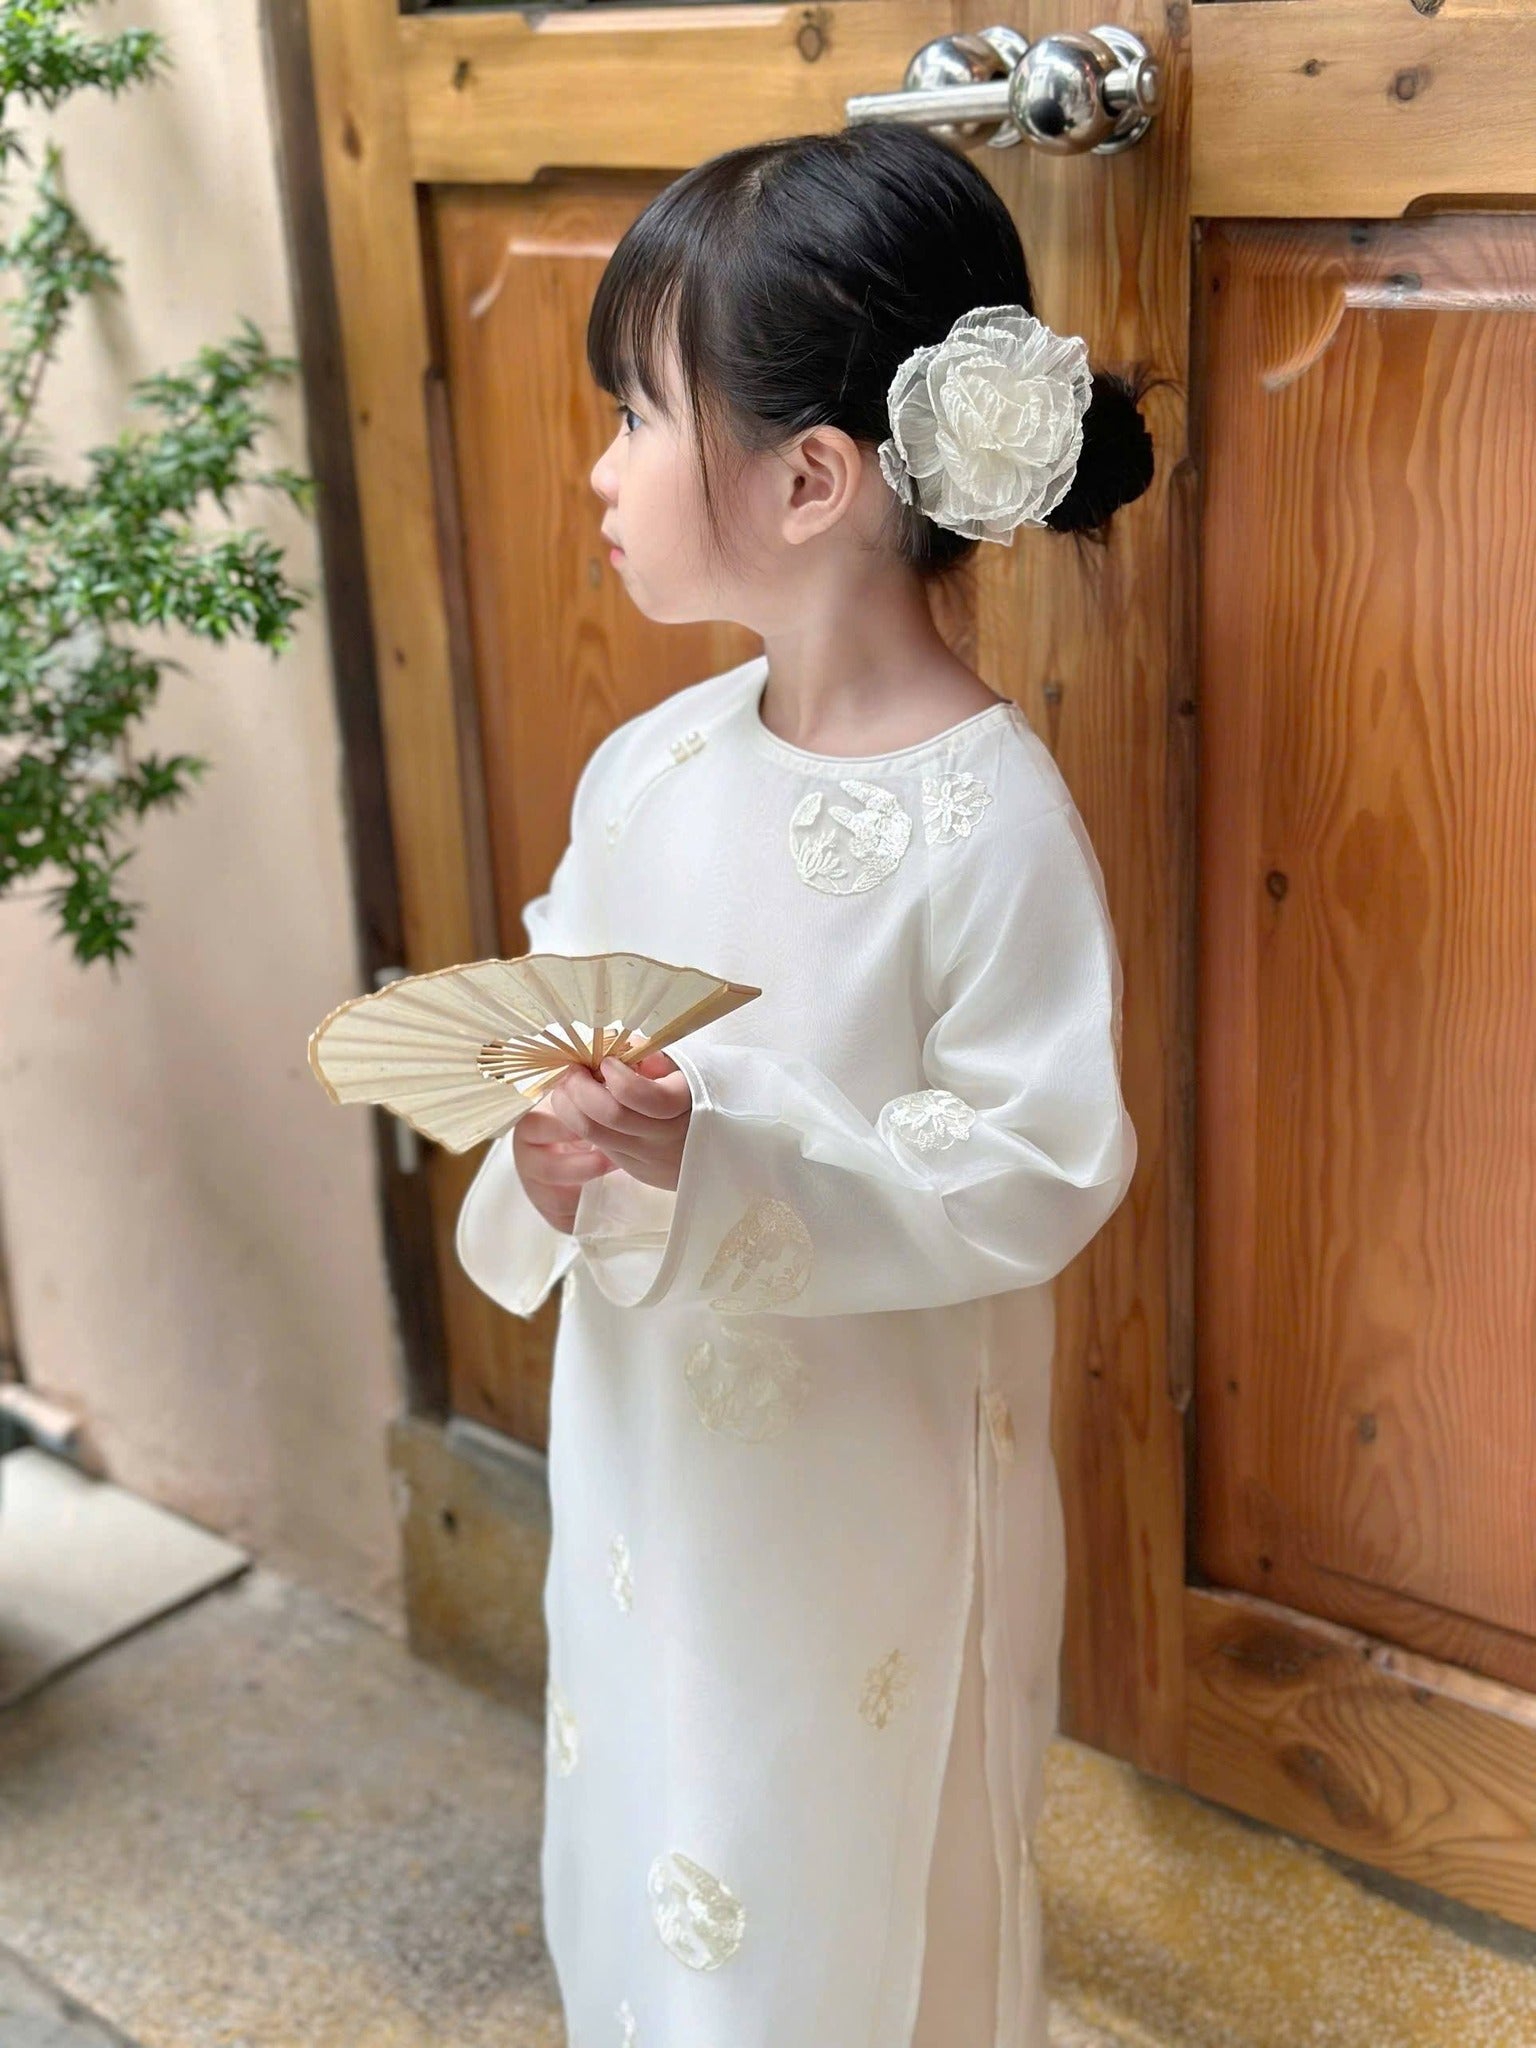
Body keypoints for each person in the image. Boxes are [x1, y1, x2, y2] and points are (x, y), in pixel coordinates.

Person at [455, 121, 1153, 2048]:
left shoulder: (987, 823)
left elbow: (1035, 1160)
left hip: (868, 1475)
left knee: (838, 1837)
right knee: (654, 1780)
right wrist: (555, 1146)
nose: (600, 468)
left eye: (635, 416)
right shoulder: (652, 769)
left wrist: (730, 1149)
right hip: (652, 1453)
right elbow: (556, 1026)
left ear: (809, 475)